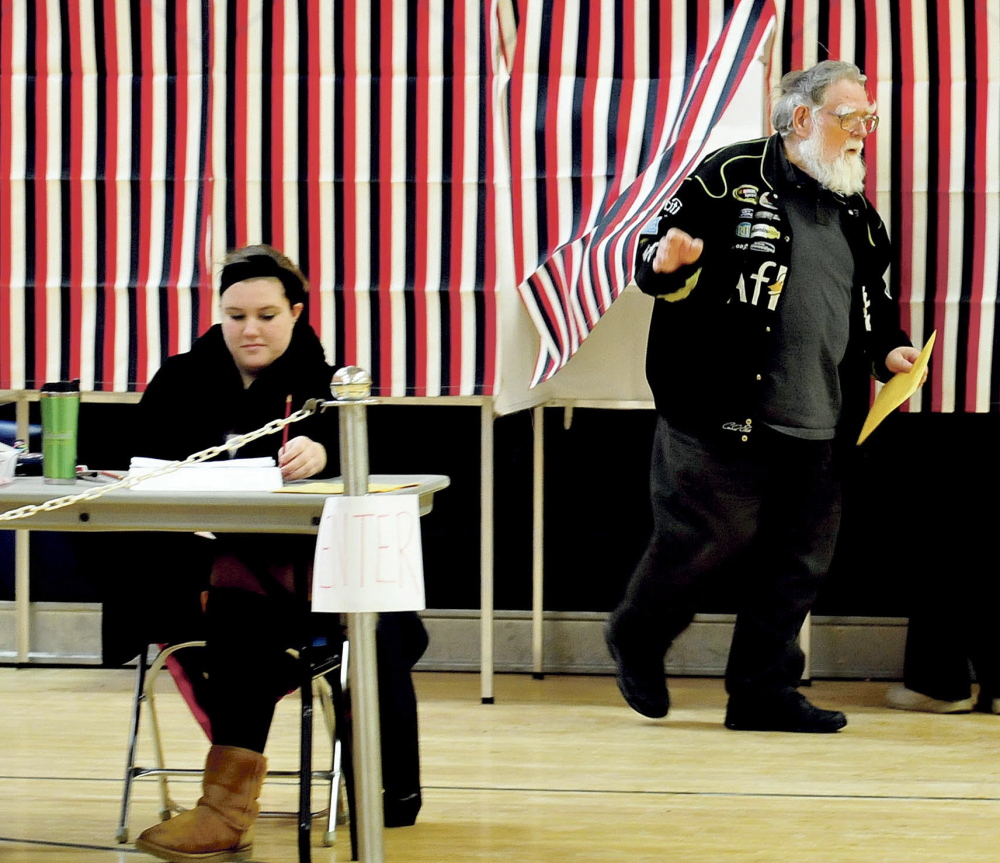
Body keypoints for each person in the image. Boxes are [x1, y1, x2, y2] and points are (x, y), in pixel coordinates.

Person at [605, 60, 925, 733]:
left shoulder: (856, 211)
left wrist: (888, 347)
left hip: (818, 419)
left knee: (796, 563)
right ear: (802, 118)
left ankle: (761, 691)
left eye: (869, 117)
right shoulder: (725, 179)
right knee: (705, 543)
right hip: (716, 411)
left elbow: (874, 301)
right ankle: (637, 633)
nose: (864, 131)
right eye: (851, 116)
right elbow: (653, 258)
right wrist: (666, 266)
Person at [131, 245, 425, 862]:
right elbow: (140, 463)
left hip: (312, 586)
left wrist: (328, 455)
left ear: (295, 313)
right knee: (233, 598)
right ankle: (226, 806)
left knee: (248, 604)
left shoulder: (331, 385)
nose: (250, 329)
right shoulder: (181, 377)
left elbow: (384, 466)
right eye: (235, 315)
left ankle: (226, 808)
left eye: (266, 314)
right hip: (196, 575)